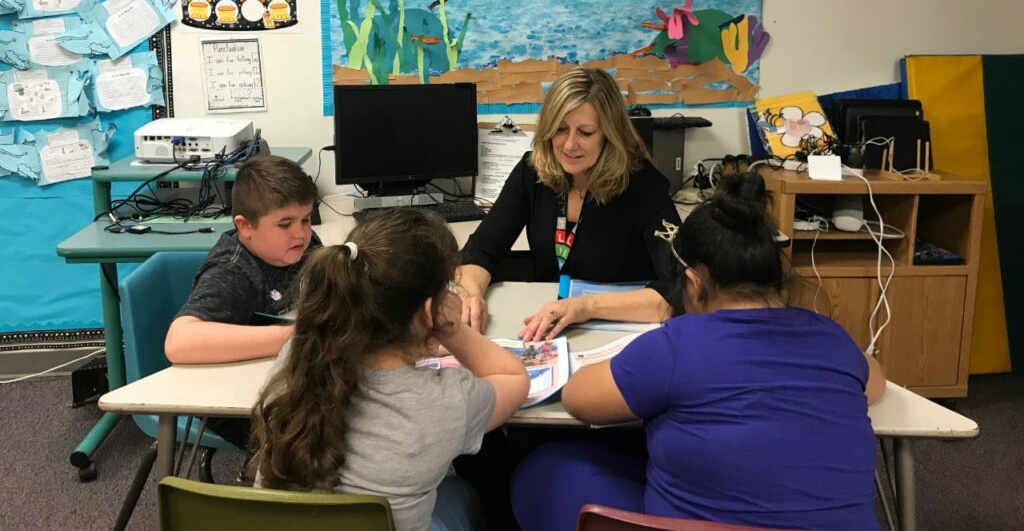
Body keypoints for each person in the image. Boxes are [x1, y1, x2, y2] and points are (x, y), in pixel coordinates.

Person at [510, 172, 886, 531]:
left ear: (691, 283)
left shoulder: (676, 346)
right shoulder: (832, 340)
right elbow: (874, 381)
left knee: (543, 473)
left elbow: (579, 399)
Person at [251, 209, 530, 531]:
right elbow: (513, 377)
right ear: (431, 310)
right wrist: (451, 328)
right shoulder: (448, 402)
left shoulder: (297, 358)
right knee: (465, 492)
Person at [457, 67, 681, 341]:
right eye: (560, 129)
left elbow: (682, 287)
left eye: (586, 132)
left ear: (610, 135)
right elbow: (481, 249)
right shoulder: (532, 172)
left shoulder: (643, 185)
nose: (569, 144)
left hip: (619, 334)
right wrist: (470, 296)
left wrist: (586, 307)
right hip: (547, 329)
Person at [164, 154, 320, 447]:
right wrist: (294, 336)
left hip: (289, 381)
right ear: (245, 226)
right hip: (241, 404)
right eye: (285, 224)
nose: (301, 233)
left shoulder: (302, 246)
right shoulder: (234, 270)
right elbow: (179, 342)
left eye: (306, 219)